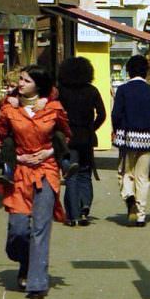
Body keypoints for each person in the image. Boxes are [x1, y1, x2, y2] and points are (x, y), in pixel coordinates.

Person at [0, 65, 70, 299]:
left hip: (46, 170)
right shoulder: (8, 109)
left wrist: (47, 154)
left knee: (40, 227)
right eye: (20, 80)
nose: (21, 83)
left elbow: (65, 135)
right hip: (19, 172)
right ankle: (24, 261)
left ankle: (37, 283)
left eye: (26, 80)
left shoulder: (53, 108)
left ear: (38, 84)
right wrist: (17, 157)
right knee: (18, 229)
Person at [57, 56, 107, 227]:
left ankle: (73, 215)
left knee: (71, 175)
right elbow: (102, 114)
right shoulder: (91, 90)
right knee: (85, 174)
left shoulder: (60, 91)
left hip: (67, 139)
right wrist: (92, 127)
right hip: (86, 137)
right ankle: (85, 206)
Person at [112, 55, 150, 227]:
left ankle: (129, 198)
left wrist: (116, 130)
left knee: (125, 173)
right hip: (148, 139)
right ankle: (141, 215)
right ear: (146, 72)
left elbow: (116, 114)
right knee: (142, 177)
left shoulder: (123, 90)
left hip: (128, 138)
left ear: (128, 71)